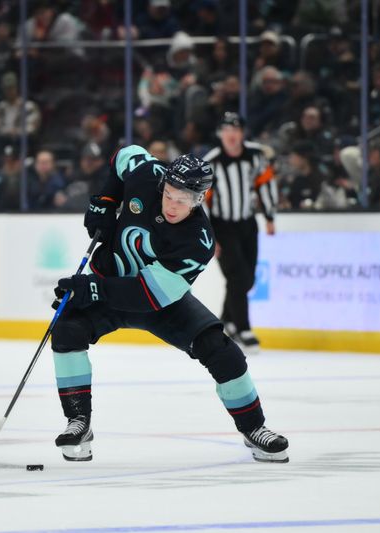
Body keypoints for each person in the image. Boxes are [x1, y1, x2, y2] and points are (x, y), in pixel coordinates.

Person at [50, 146, 288, 464]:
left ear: (200, 199)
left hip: (157, 302)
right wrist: (106, 201)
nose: (174, 205)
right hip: (110, 280)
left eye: (184, 200)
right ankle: (79, 421)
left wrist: (92, 289)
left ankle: (254, 428)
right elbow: (124, 155)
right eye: (170, 194)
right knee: (66, 329)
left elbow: (148, 295)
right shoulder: (148, 175)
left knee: (221, 350)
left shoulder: (198, 240)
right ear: (163, 184)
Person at [203, 112, 278, 353]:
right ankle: (243, 328)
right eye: (226, 130)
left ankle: (226, 321)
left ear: (242, 133)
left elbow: (265, 183)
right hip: (222, 227)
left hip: (247, 223)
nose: (231, 135)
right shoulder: (212, 161)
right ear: (220, 134)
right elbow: (202, 201)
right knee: (238, 278)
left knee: (247, 278)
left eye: (235, 130)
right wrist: (210, 236)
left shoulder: (255, 156)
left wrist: (269, 216)